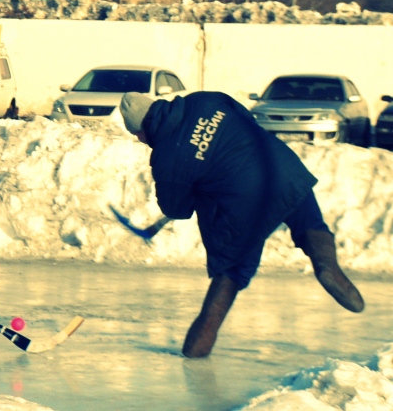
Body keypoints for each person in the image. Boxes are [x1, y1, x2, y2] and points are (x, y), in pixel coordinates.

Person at [119, 90, 364, 358]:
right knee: (309, 223)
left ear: (141, 130)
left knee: (231, 273)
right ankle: (327, 267)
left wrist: (192, 186)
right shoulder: (205, 99)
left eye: (137, 136)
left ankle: (196, 348)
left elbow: (176, 210)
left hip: (243, 201)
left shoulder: (166, 158)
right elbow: (246, 117)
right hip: (280, 167)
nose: (140, 141)